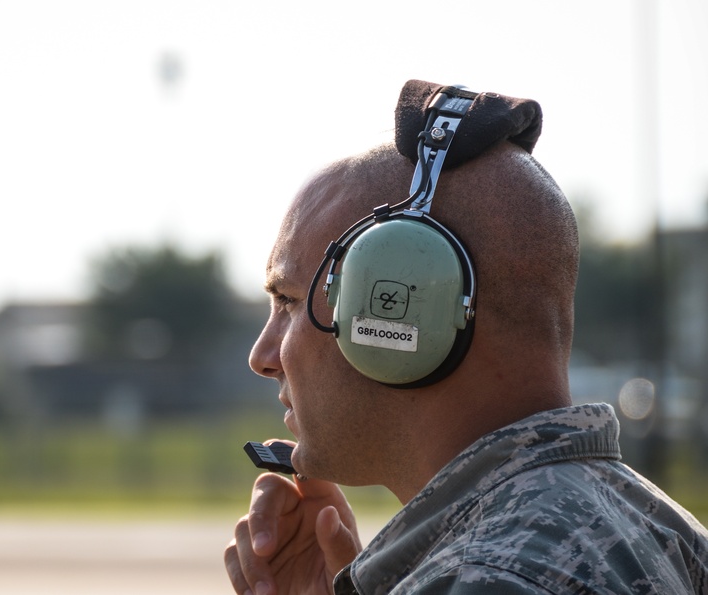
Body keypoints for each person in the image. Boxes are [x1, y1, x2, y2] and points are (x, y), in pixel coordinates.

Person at [223, 95, 708, 593]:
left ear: (405, 304)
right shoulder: (674, 537)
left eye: (287, 302)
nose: (262, 357)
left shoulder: (481, 579)